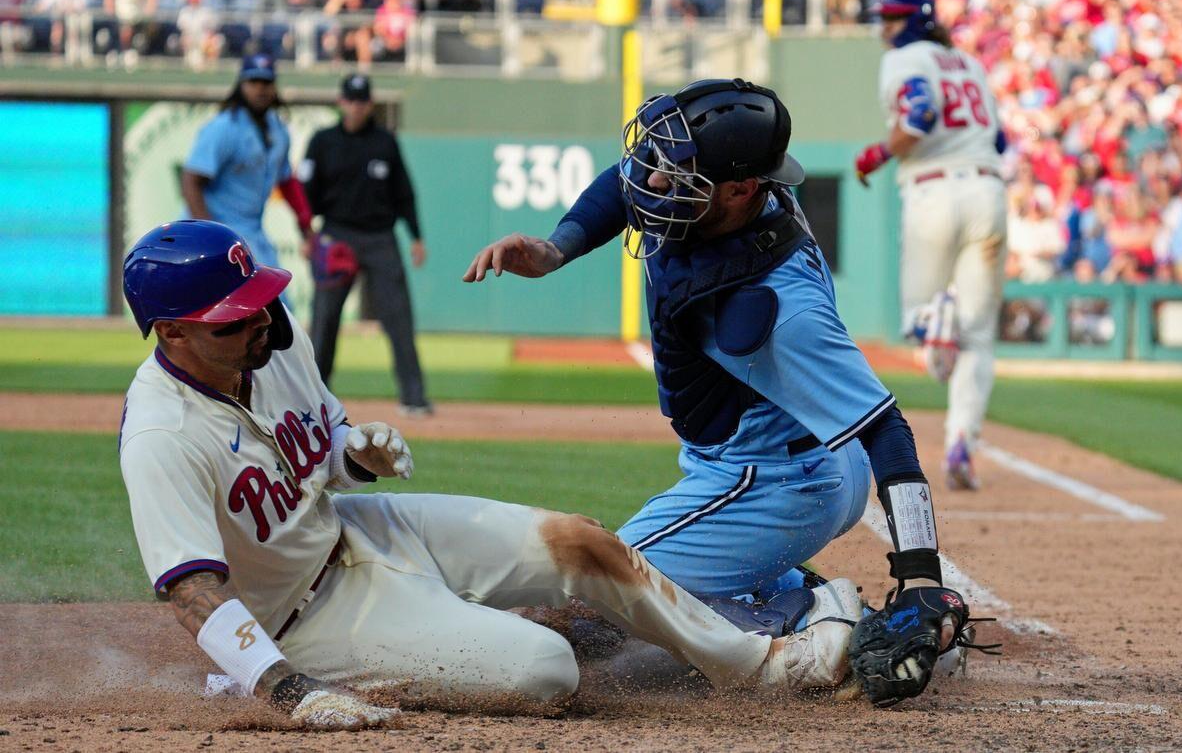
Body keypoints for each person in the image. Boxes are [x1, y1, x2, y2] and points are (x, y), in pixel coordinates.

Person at [117, 220, 886, 729]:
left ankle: (760, 667)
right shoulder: (162, 433)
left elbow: (322, 455)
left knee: (584, 545)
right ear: (175, 332)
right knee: (546, 670)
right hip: (303, 621)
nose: (262, 320)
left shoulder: (274, 344)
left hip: (357, 532)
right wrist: (287, 688)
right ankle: (346, 670)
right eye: (234, 314)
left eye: (260, 300)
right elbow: (191, 589)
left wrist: (354, 450)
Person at [464, 78, 977, 707]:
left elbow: (885, 427)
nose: (652, 184)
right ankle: (772, 586)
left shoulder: (777, 308)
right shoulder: (711, 198)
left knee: (591, 605)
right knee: (618, 593)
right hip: (785, 459)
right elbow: (624, 182)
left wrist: (922, 576)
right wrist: (555, 248)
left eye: (675, 178)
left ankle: (815, 618)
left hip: (778, 484)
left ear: (740, 190)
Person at [854, 0, 1007, 491]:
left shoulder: (904, 59)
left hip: (934, 190)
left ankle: (936, 322)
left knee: (918, 321)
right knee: (979, 336)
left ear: (911, 19)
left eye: (891, 17)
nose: (885, 26)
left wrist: (877, 154)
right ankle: (963, 439)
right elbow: (1000, 136)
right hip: (988, 190)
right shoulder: (969, 62)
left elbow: (919, 115)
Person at [300, 73, 432, 416]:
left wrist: (416, 236)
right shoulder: (323, 141)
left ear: (369, 103)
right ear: (341, 102)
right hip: (336, 234)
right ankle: (315, 401)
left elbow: (404, 192)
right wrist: (307, 236)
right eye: (351, 100)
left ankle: (413, 397)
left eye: (362, 101)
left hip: (379, 237)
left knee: (398, 316)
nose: (356, 106)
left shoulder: (384, 142)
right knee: (325, 318)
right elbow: (306, 196)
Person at [181, 53, 313, 270]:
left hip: (250, 232)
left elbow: (287, 181)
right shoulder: (224, 127)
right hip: (214, 228)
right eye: (254, 82)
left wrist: (307, 229)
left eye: (266, 82)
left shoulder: (278, 130)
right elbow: (191, 181)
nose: (260, 89)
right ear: (241, 85)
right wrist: (210, 236)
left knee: (274, 300)